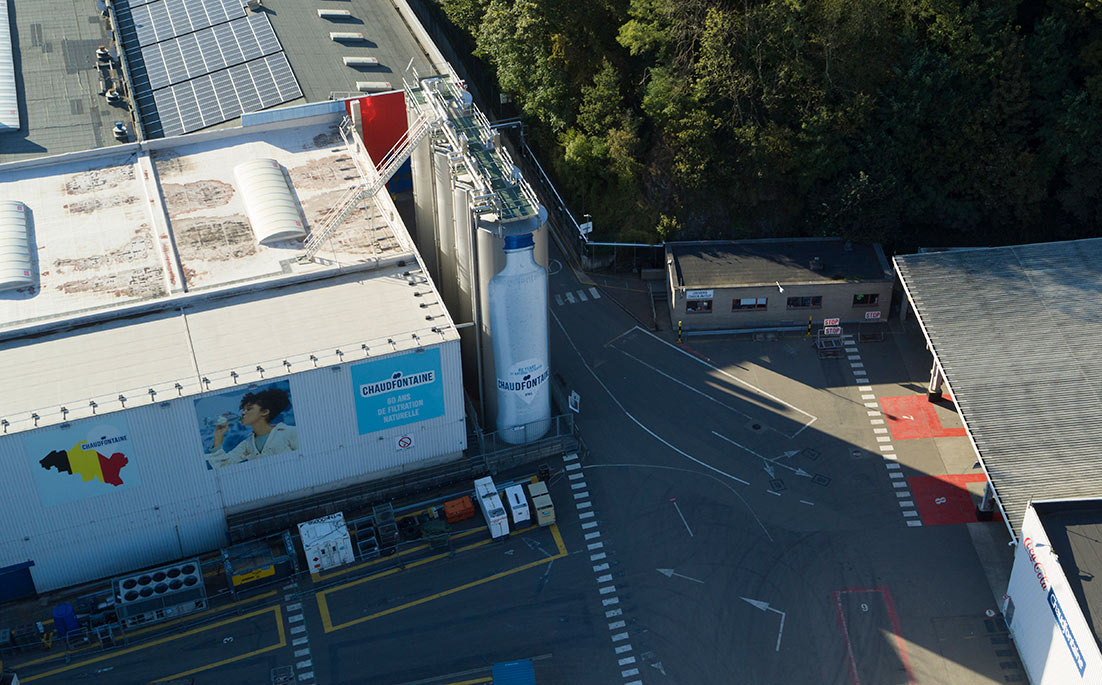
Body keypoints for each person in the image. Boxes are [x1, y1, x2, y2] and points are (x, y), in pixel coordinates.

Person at [206, 388, 299, 468]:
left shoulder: (290, 432)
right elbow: (224, 465)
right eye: (243, 410)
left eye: (249, 409)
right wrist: (218, 437)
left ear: (265, 412)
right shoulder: (247, 445)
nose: (243, 413)